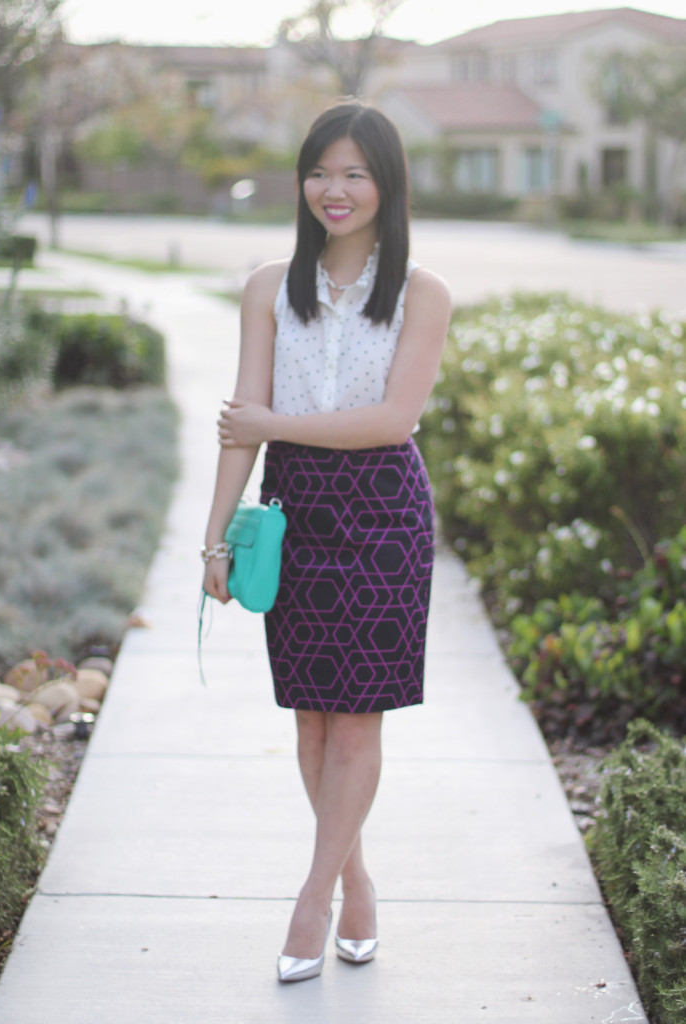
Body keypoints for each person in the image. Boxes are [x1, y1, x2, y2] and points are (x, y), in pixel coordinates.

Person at [202, 99, 451, 983]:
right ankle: (358, 882)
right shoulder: (270, 285)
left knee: (356, 721)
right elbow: (242, 425)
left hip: (384, 512)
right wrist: (214, 543)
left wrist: (275, 422)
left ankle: (313, 901)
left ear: (387, 184)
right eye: (320, 171)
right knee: (310, 720)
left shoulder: (422, 291)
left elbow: (395, 420)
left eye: (354, 173)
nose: (333, 190)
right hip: (294, 511)